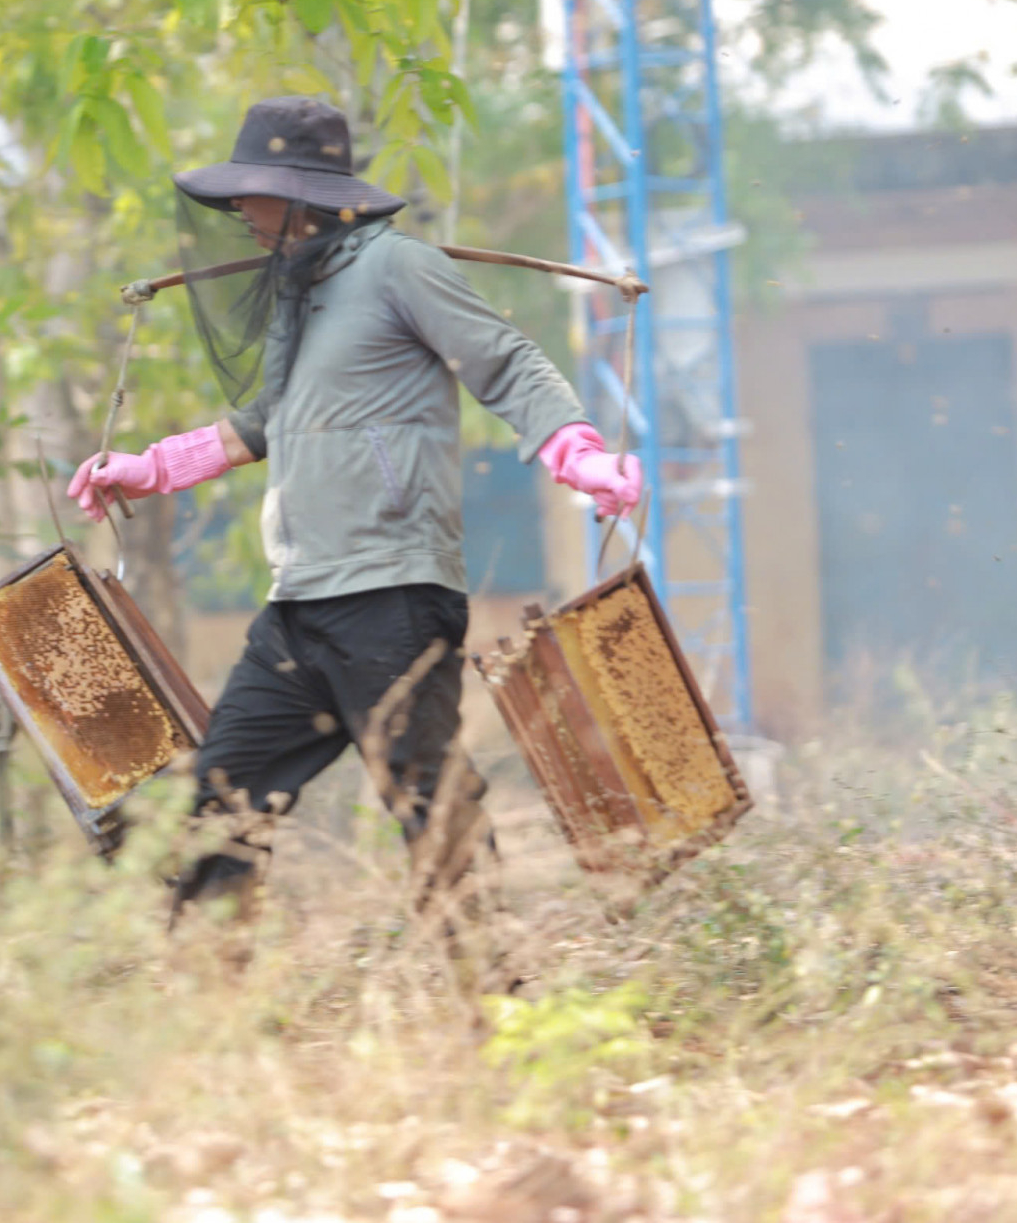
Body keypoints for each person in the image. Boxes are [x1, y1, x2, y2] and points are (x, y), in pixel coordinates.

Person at [66, 96, 641, 936]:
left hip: (392, 597)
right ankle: (209, 1009)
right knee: (215, 804)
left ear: (300, 192)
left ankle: (494, 1003)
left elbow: (507, 362)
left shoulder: (399, 267)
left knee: (429, 807)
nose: (241, 214)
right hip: (300, 605)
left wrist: (578, 456)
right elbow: (266, 421)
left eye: (253, 194)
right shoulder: (301, 291)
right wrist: (149, 468)